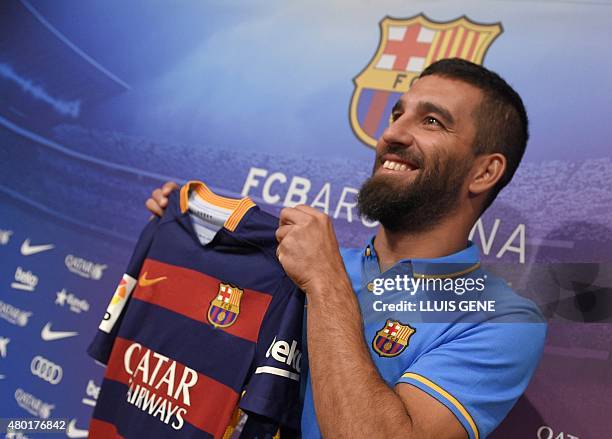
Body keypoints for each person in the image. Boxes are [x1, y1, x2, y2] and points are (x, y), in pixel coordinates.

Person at [145, 58, 546, 439]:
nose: (392, 134)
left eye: (431, 121)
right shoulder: (294, 261)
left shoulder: (499, 319)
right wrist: (184, 233)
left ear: (484, 171)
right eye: (396, 114)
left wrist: (324, 281)